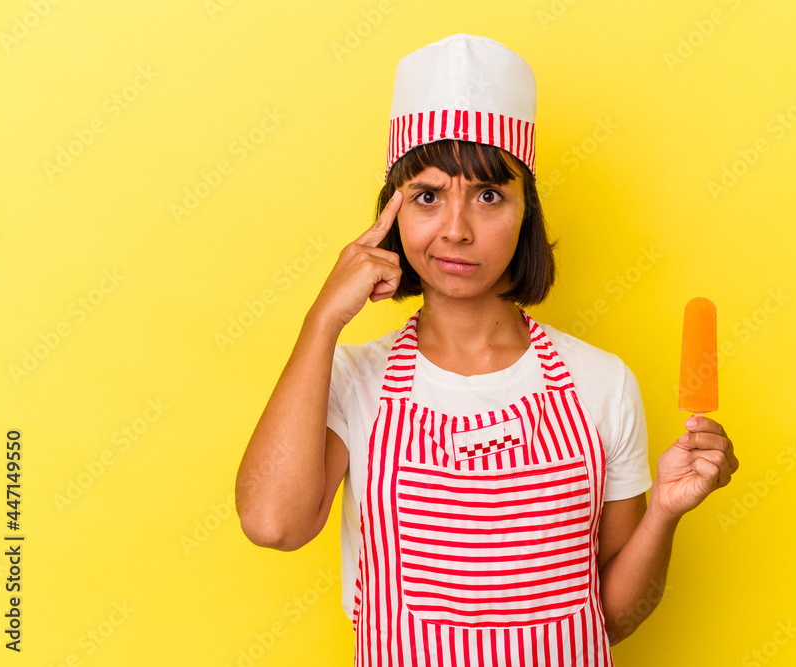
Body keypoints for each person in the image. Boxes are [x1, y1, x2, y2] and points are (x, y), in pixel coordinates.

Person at [235, 33, 739, 665]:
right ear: (391, 217)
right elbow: (272, 524)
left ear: (526, 214)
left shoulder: (601, 383)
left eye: (489, 195)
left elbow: (613, 618)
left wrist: (664, 511)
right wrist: (322, 319)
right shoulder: (349, 378)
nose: (455, 228)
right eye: (426, 195)